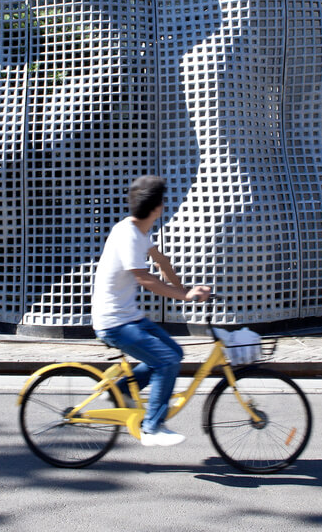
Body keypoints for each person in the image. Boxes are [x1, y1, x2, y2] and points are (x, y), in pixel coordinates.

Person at [91, 175, 211, 447]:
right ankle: (152, 427)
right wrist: (185, 295)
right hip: (113, 323)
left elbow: (162, 262)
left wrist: (186, 291)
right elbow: (146, 279)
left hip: (129, 317)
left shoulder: (137, 231)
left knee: (175, 353)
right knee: (166, 361)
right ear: (157, 208)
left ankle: (118, 391)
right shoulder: (129, 235)